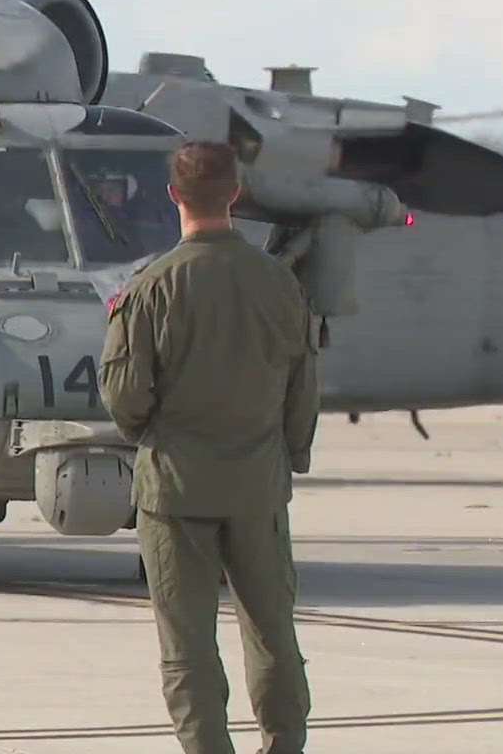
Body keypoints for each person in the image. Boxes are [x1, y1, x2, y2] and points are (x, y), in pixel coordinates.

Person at [100, 139, 318, 754]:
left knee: (188, 642)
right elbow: (304, 386)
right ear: (236, 194)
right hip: (257, 486)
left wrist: (152, 437)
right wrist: (287, 457)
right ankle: (284, 743)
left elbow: (124, 395)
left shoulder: (152, 287)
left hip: (175, 487)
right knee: (273, 629)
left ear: (174, 196)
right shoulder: (280, 284)